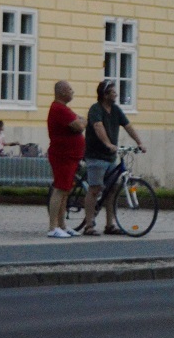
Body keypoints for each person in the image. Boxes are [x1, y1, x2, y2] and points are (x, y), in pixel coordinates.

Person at [76, 79, 145, 236]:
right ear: (105, 94)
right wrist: (108, 143)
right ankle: (88, 226)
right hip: (96, 155)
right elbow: (98, 127)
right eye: (113, 92)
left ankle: (110, 225)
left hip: (110, 156)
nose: (116, 94)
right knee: (95, 189)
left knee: (112, 189)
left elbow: (128, 126)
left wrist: (139, 142)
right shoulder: (96, 109)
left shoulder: (116, 110)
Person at [45, 81, 86, 239]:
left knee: (65, 191)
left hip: (70, 156)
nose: (72, 92)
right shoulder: (59, 109)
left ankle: (62, 225)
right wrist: (80, 121)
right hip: (62, 156)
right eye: (70, 89)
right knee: (60, 189)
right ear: (62, 92)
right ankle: (52, 227)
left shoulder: (64, 109)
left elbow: (82, 121)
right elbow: (80, 125)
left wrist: (80, 121)